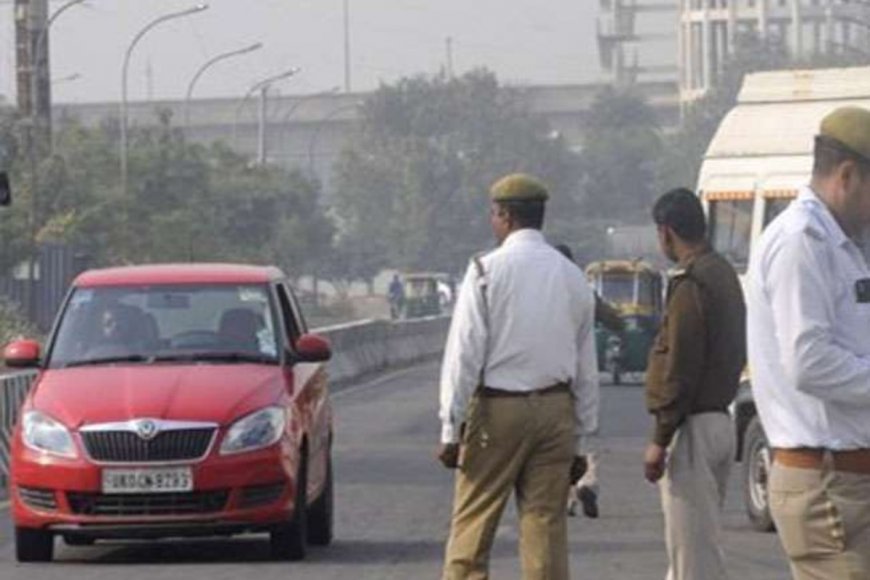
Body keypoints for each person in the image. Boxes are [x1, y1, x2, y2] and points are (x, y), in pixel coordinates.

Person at [438, 173, 599, 580]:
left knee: (474, 523)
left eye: (493, 214)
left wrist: (450, 429)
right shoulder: (572, 276)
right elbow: (586, 367)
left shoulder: (485, 271)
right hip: (556, 410)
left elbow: (465, 355)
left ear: (505, 216)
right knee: (545, 527)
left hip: (498, 410)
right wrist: (582, 439)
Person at [746, 106, 870, 579]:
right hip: (825, 482)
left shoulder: (843, 244)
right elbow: (809, 362)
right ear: (847, 174)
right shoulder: (802, 242)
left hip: (844, 478)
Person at [644, 188, 746, 580]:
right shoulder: (723, 274)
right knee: (692, 550)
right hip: (721, 418)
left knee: (693, 560)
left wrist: (659, 437)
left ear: (666, 232)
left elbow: (680, 366)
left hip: (691, 429)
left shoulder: (691, 283)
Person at [554, 243, 624, 520]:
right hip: (582, 373)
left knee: (557, 445)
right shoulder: (581, 289)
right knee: (586, 434)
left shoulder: (539, 293)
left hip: (550, 381)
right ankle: (587, 482)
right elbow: (612, 320)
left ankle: (567, 497)